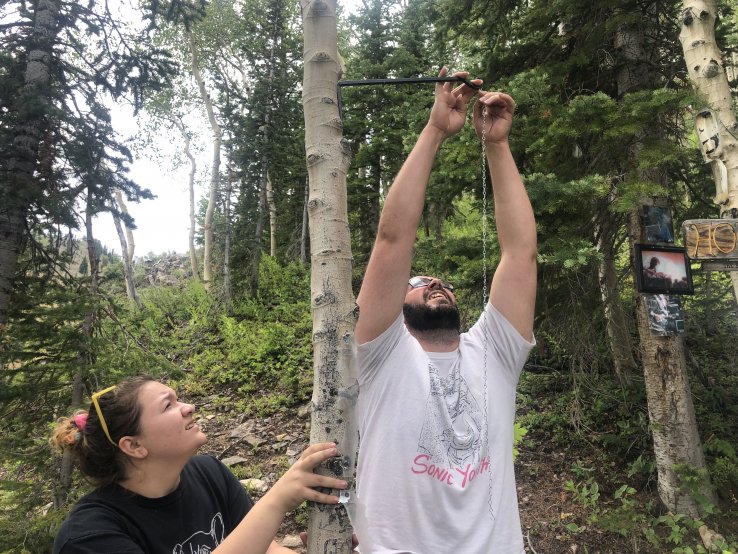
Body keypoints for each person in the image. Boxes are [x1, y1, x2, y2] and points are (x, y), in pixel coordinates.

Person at [352, 68, 537, 553]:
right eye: (418, 283)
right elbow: (392, 239)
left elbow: (520, 254)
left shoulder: (495, 351)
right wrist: (436, 129)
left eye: (441, 283)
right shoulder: (380, 355)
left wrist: (497, 145)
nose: (434, 282)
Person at [50, 375, 347, 553]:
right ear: (135, 446)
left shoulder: (209, 473)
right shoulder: (88, 536)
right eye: (168, 405)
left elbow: (265, 547)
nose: (189, 407)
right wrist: (277, 500)